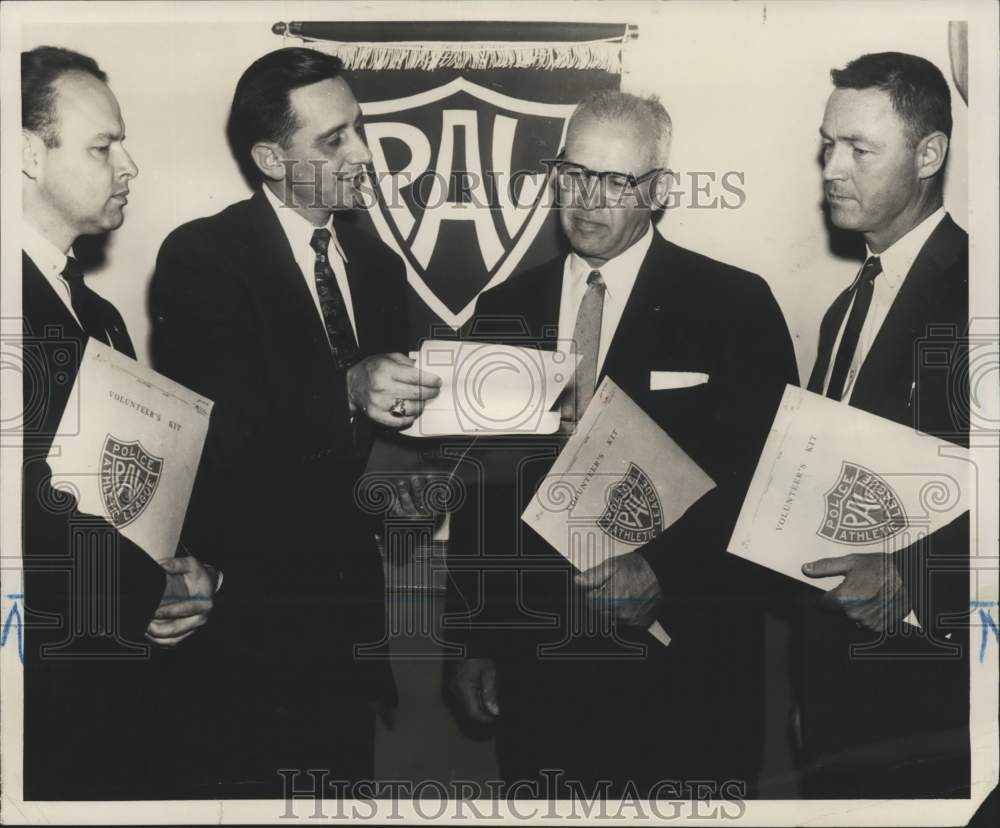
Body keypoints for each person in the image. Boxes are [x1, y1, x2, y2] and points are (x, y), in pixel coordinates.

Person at [444, 90, 798, 798]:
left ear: (660, 192)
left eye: (617, 182)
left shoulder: (734, 304)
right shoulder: (503, 310)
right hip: (540, 678)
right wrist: (475, 639)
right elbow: (483, 491)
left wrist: (665, 569)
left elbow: (773, 489)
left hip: (689, 679)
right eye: (573, 174)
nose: (588, 200)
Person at [149, 47, 441, 797]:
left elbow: (376, 449)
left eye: (361, 127)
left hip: (349, 634)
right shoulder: (202, 256)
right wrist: (345, 388)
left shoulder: (378, 267)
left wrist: (408, 485)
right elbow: (212, 425)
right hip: (244, 637)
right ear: (270, 159)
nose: (365, 153)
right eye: (334, 138)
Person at [19, 46, 216, 799]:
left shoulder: (96, 313)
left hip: (105, 691)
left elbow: (128, 479)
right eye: (104, 146)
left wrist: (182, 561)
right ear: (26, 154)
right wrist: (146, 589)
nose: (128, 166)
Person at [795, 51, 970, 798]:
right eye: (828, 145)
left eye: (859, 149)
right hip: (839, 691)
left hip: (939, 698)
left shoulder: (977, 286)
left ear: (928, 154)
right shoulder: (845, 308)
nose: (833, 168)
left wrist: (914, 583)